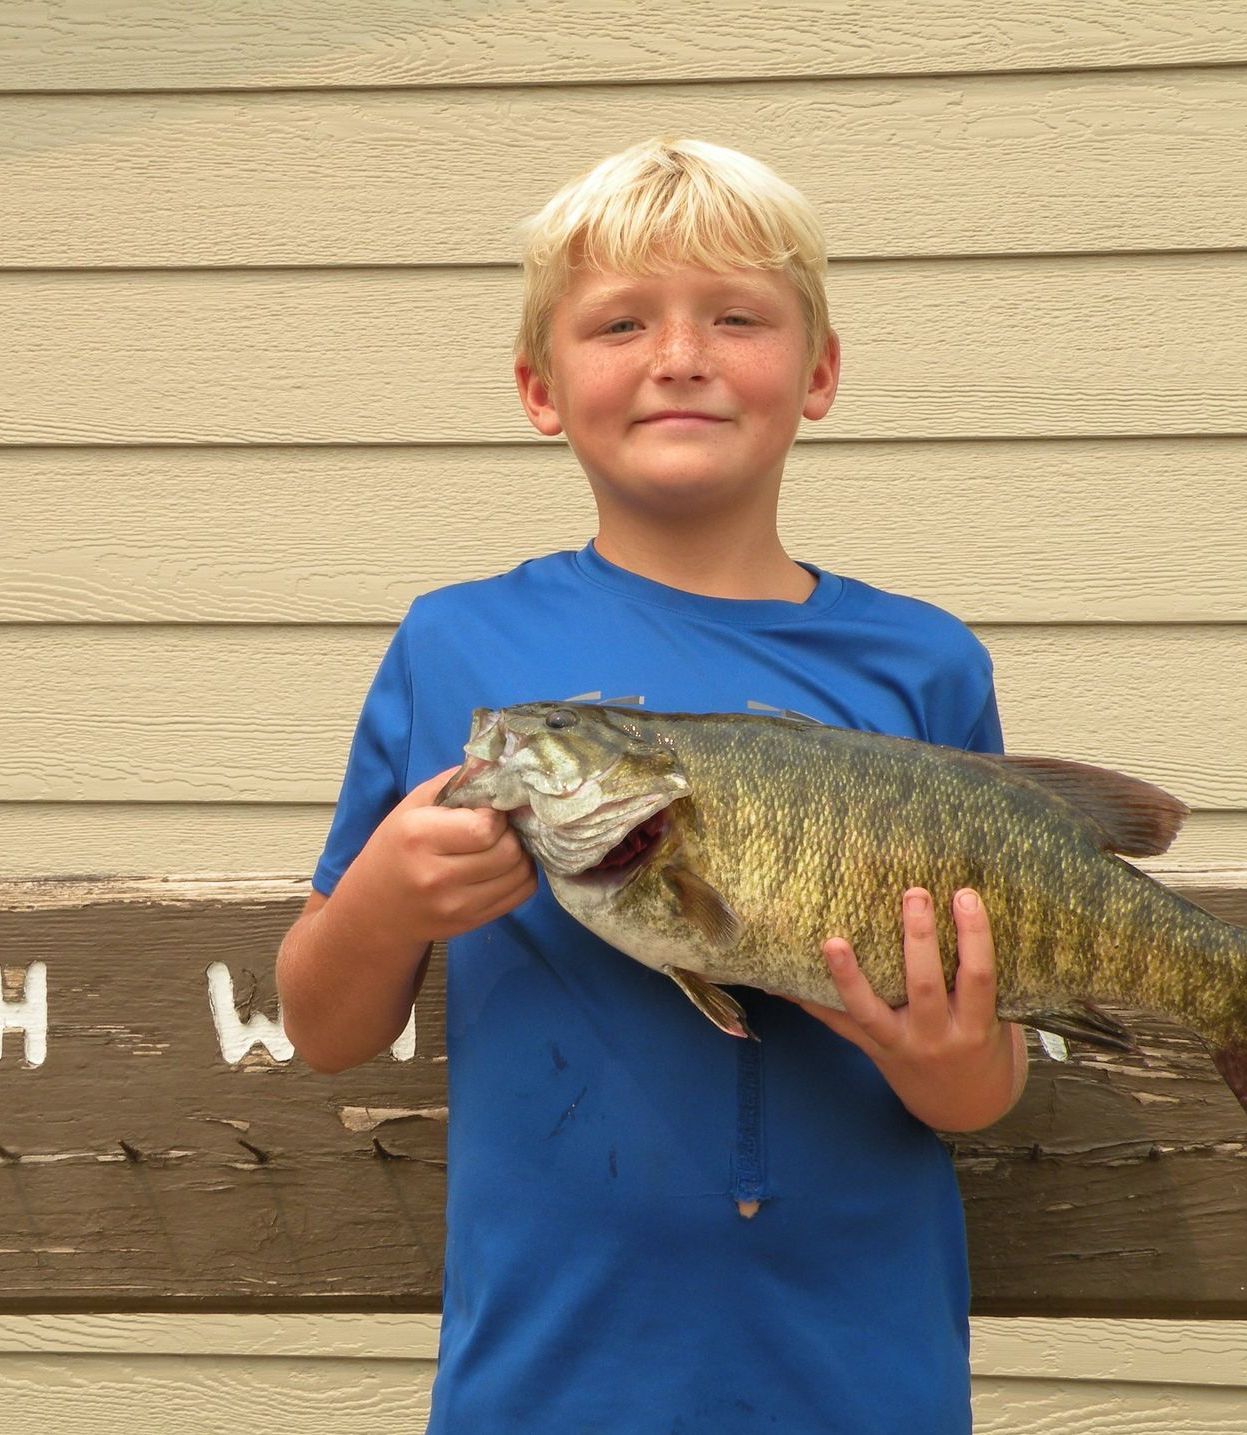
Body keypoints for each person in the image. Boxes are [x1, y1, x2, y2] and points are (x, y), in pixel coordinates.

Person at [276, 136, 1027, 1433]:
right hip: (551, 1379)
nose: (680, 355)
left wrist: (950, 1062)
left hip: (859, 1379)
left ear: (821, 372)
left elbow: (984, 1080)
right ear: (539, 384)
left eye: (736, 317)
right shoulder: (459, 650)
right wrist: (388, 902)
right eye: (621, 322)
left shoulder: (924, 666)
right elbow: (324, 1024)